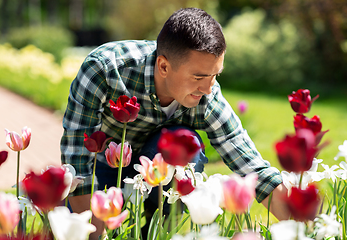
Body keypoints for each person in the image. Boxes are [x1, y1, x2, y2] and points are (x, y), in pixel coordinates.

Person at [61, 7, 290, 240]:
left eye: (215, 76)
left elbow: (250, 163)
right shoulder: (105, 69)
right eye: (199, 77)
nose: (208, 89)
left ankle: (155, 233)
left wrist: (304, 226)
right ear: (163, 66)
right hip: (103, 170)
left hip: (160, 179)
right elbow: (77, 156)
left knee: (186, 144)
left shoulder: (206, 98)